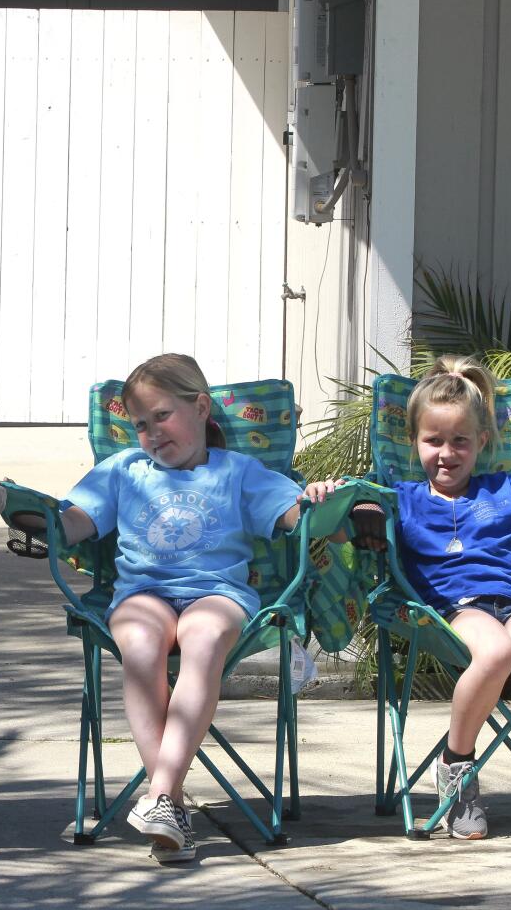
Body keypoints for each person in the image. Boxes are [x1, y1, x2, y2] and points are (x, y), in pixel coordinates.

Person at [328, 355, 511, 839]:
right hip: (453, 609)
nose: (446, 453)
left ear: (481, 443)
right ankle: (458, 763)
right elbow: (350, 521)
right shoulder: (402, 498)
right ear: (414, 442)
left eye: (460, 441)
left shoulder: (506, 489)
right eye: (433, 441)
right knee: (495, 652)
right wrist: (353, 506)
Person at [43, 354, 312, 863]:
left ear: (201, 407)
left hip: (218, 593)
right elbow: (71, 523)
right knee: (140, 646)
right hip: (141, 595)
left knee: (204, 637)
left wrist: (322, 499)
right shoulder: (124, 470)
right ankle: (169, 805)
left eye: (161, 416)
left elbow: (298, 516)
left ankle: (163, 796)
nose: (150, 433)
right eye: (140, 424)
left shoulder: (239, 471)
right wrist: (22, 507)